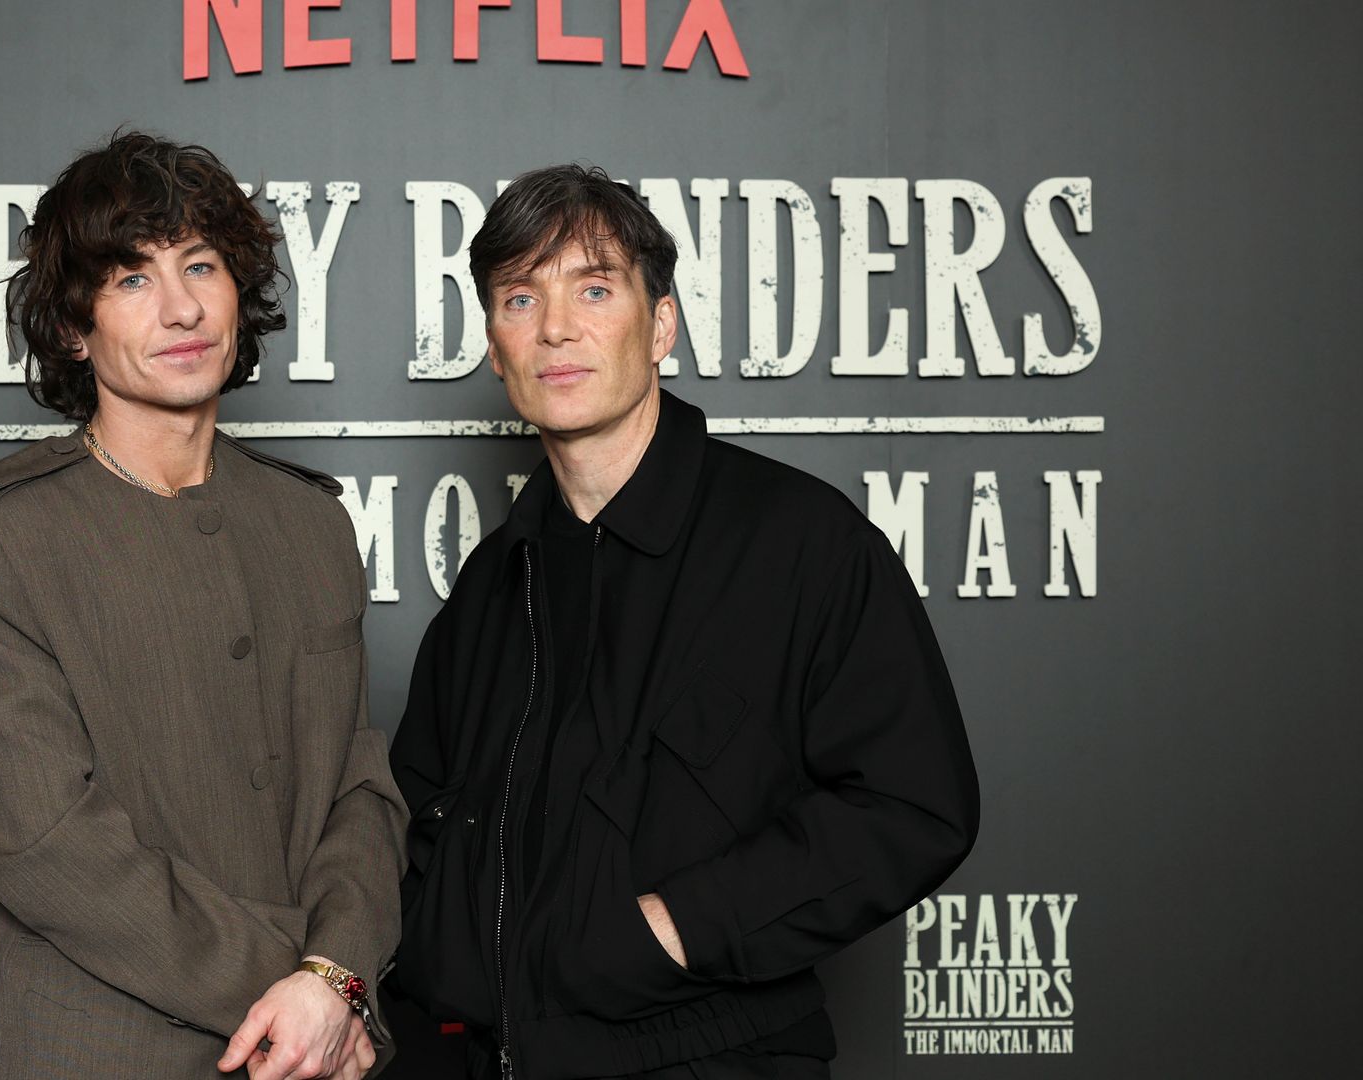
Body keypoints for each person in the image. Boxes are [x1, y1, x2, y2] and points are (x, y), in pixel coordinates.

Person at [386, 164, 980, 1079]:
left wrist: (675, 930)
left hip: (710, 1057)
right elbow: (418, 838)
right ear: (497, 350)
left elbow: (912, 804)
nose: (556, 329)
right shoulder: (490, 590)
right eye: (518, 299)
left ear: (661, 323)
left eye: (594, 288)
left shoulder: (799, 541)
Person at [0, 130, 406, 1080]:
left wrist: (336, 976)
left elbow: (360, 790)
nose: (181, 306)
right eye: (131, 278)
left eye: (202, 266)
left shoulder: (312, 524)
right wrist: (310, 992)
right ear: (72, 326)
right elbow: (45, 842)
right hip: (111, 1051)